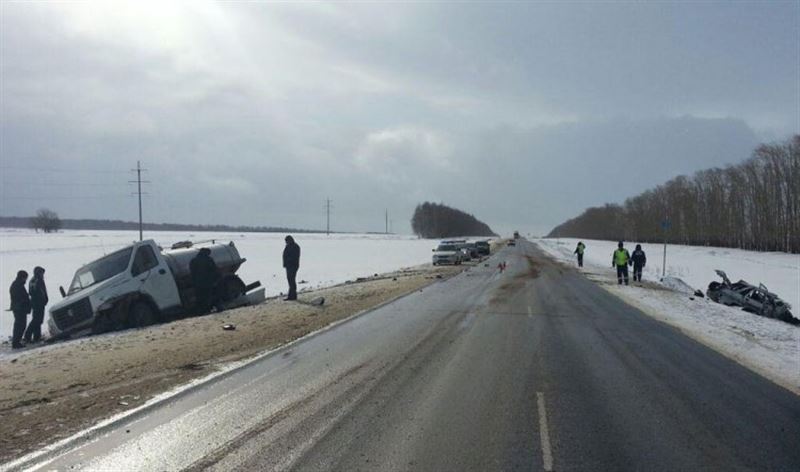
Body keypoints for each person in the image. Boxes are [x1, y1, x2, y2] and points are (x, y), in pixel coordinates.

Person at [190, 248, 221, 314]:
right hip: (207, 282)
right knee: (207, 296)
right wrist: (216, 279)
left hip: (197, 283)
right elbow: (214, 270)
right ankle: (207, 310)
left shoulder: (193, 260)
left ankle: (200, 311)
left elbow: (192, 272)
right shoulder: (209, 260)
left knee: (199, 297)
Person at [24, 266, 48, 343]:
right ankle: (28, 335)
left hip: (35, 303)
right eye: (41, 273)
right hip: (38, 303)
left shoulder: (32, 280)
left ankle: (36, 336)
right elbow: (40, 292)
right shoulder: (38, 280)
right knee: (37, 320)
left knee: (37, 320)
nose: (43, 275)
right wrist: (44, 299)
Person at [9, 270, 31, 349]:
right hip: (19, 309)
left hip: (19, 308)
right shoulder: (17, 285)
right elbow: (18, 297)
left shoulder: (17, 284)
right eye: (25, 278)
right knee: (20, 325)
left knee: (20, 325)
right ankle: (16, 343)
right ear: (22, 277)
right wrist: (25, 301)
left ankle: (16, 342)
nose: (25, 280)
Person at [283, 235, 301, 301]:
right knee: (290, 280)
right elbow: (285, 255)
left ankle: (292, 295)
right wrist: (285, 264)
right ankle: (291, 295)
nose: (286, 242)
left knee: (291, 280)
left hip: (293, 266)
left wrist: (288, 261)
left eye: (286, 241)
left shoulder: (296, 247)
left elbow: (295, 257)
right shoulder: (288, 246)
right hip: (288, 266)